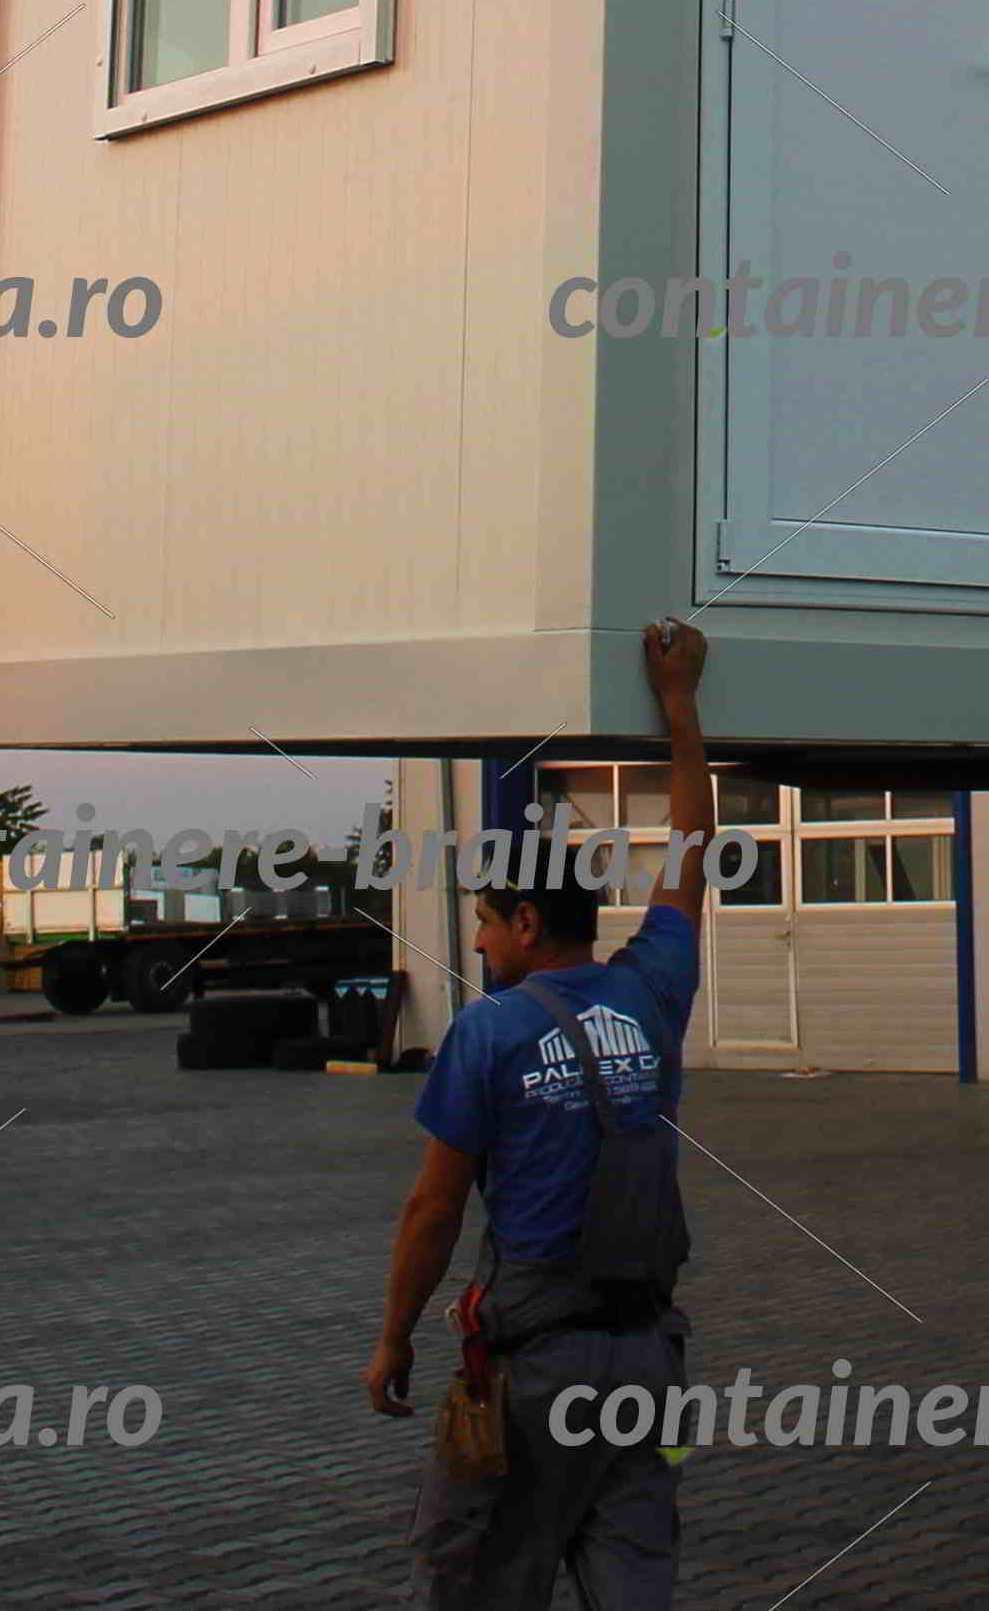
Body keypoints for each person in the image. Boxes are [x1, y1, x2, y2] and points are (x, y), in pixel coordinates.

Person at [371, 618, 715, 1609]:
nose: (479, 943)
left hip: (535, 1374)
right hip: (648, 1364)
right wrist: (681, 706)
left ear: (526, 922)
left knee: (478, 1574)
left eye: (485, 921)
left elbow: (434, 1210)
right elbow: (692, 851)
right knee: (633, 1575)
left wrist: (394, 1339)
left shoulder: (488, 1032)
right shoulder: (652, 988)